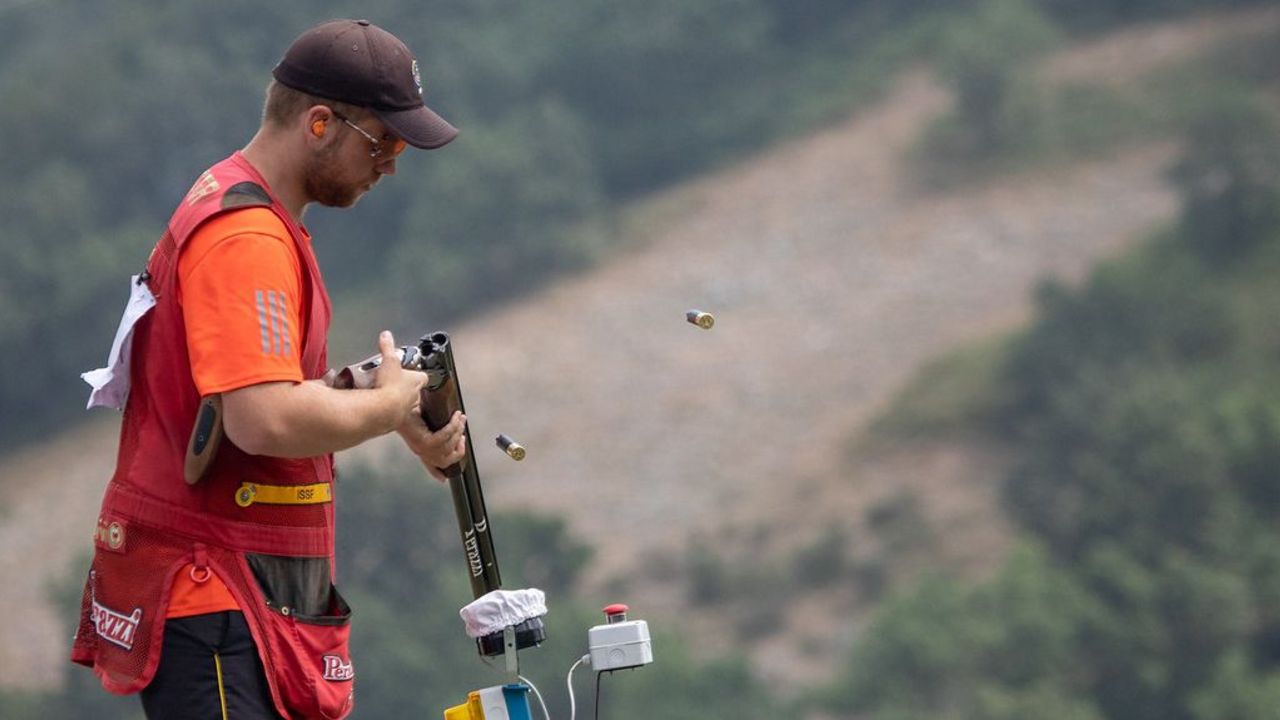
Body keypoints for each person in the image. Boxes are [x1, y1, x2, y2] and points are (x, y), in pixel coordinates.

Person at [71, 19, 467, 719]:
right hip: (217, 593)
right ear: (320, 123)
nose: (394, 163)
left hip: (237, 594)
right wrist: (385, 409)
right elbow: (264, 417)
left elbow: (257, 392)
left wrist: (394, 406)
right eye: (386, 140)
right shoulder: (246, 237)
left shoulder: (245, 210)